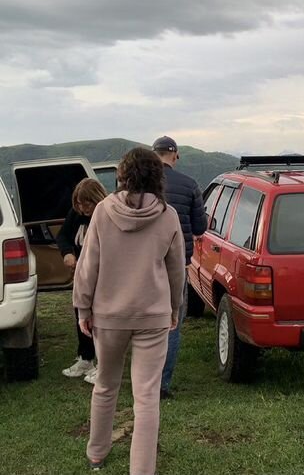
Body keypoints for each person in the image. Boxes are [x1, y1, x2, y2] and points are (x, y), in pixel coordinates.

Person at [73, 147, 185, 474]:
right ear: (157, 176)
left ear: (122, 175)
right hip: (152, 315)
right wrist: (175, 308)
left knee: (106, 385)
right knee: (146, 397)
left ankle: (96, 453)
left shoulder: (103, 211)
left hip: (108, 315)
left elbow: (87, 265)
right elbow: (177, 270)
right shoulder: (168, 216)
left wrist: (83, 308)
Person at [152, 135, 207, 399]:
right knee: (172, 322)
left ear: (154, 155)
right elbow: (199, 228)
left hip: (142, 265)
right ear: (175, 156)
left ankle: (142, 378)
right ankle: (162, 385)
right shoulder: (189, 184)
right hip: (177, 264)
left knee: (142, 323)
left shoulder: (140, 186)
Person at [57, 178, 107, 384]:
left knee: (101, 320)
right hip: (82, 276)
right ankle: (86, 358)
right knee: (82, 315)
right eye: (78, 204)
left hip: (103, 277)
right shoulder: (76, 215)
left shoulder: (106, 215)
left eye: (86, 204)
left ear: (96, 199)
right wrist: (67, 252)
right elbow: (63, 236)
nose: (82, 208)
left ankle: (104, 364)